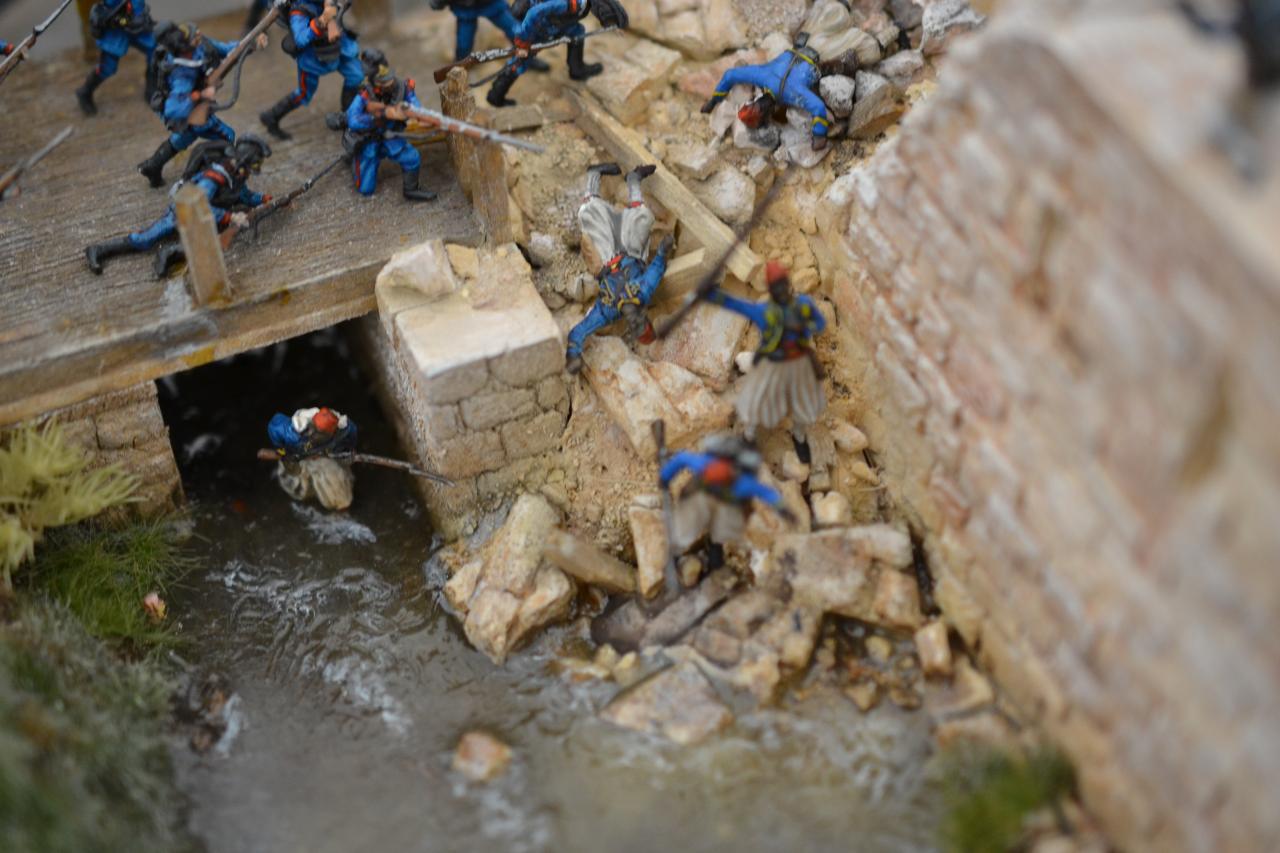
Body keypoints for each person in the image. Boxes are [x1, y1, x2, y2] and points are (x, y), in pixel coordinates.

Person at [85, 136, 273, 276]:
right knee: (145, 240)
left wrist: (264, 199)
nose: (251, 171)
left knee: (210, 244)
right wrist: (230, 217)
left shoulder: (236, 177)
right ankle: (99, 249)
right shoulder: (215, 177)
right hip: (183, 212)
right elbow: (198, 204)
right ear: (243, 161)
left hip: (205, 219)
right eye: (251, 165)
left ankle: (168, 254)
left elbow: (244, 195)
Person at [703, 262, 827, 445]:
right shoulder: (765, 312)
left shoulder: (803, 305)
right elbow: (736, 305)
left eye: (782, 285)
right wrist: (711, 295)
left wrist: (804, 330)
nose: (780, 290)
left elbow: (820, 325)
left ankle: (799, 435)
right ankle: (750, 435)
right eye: (776, 287)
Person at [565, 162, 670, 373]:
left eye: (636, 327)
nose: (637, 321)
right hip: (631, 252)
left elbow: (578, 332)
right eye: (643, 323)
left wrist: (573, 355)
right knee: (643, 218)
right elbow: (656, 269)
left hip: (606, 258)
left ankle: (593, 176)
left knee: (588, 214)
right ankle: (633, 180)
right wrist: (663, 251)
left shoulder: (608, 311)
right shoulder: (643, 292)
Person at [136, 22, 263, 188]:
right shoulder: (181, 73)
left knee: (184, 137)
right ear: (183, 46)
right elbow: (174, 108)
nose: (199, 35)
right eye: (195, 37)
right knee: (227, 137)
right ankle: (217, 178)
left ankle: (153, 165)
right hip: (191, 112)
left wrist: (252, 44)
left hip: (195, 110)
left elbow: (228, 50)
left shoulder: (200, 44)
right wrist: (200, 95)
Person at [659, 433, 792, 570]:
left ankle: (715, 547)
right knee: (687, 526)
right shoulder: (709, 466)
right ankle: (675, 552)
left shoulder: (742, 483)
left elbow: (765, 492)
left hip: (728, 504)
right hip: (701, 497)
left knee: (726, 528)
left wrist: (783, 508)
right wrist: (665, 477)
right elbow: (683, 459)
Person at [700, 34, 836, 151]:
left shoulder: (789, 92)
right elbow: (730, 75)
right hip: (812, 51)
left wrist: (819, 135)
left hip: (815, 50)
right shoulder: (762, 76)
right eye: (757, 109)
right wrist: (714, 100)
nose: (758, 105)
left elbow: (818, 107)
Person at [486, 0, 628, 108]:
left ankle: (576, 69)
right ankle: (496, 94)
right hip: (540, 27)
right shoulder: (568, 3)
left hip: (560, 23)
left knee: (577, 31)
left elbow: (602, 5)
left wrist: (612, 23)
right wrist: (523, 43)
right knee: (521, 61)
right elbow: (534, 13)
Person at [259, 0, 363, 140]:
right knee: (304, 93)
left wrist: (332, 14)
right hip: (314, 57)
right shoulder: (298, 11)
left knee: (356, 75)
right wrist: (322, 20)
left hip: (340, 48)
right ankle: (272, 116)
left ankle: (347, 118)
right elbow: (301, 39)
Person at [343, 49, 438, 201]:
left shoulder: (402, 87)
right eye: (384, 81)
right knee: (366, 189)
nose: (390, 82)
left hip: (392, 136)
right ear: (375, 83)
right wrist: (381, 115)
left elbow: (413, 103)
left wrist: (420, 115)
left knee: (412, 158)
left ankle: (411, 190)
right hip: (369, 140)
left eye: (389, 78)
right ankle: (354, 159)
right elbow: (353, 120)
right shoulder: (364, 95)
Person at [75, 0, 157, 116]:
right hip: (115, 30)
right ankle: (85, 91)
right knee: (108, 68)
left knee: (154, 51)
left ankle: (151, 88)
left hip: (137, 23)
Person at [267, 406, 358, 510]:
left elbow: (350, 436)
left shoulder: (343, 428)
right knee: (300, 487)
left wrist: (347, 450)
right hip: (301, 460)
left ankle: (340, 511)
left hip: (325, 459)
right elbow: (275, 424)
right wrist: (282, 451)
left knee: (340, 497)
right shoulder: (293, 434)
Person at [429, 0, 549, 71]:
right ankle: (461, 67)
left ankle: (526, 58)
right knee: (464, 43)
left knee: (515, 30)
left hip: (491, 3)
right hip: (464, 7)